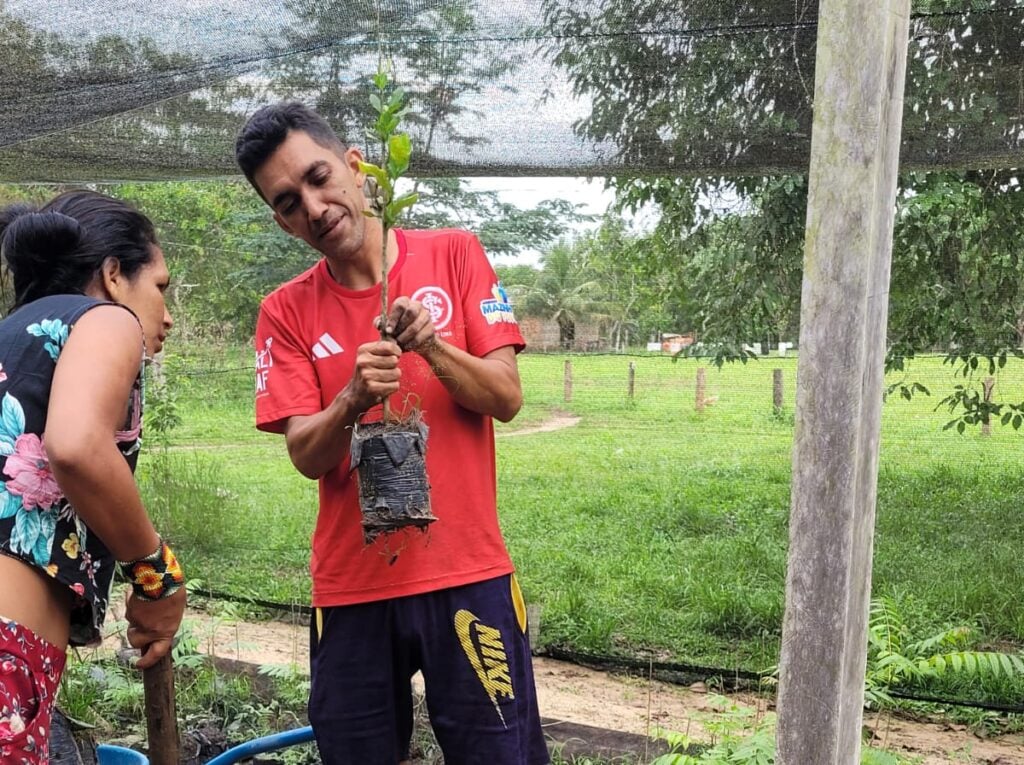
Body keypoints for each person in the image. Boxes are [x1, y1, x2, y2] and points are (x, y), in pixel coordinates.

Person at [235, 102, 548, 765]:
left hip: (469, 576)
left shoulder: (455, 253)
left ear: (355, 166)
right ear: (279, 219)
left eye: (319, 178)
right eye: (289, 202)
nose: (314, 207)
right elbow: (305, 454)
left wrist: (431, 348)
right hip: (352, 592)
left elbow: (507, 397)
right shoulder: (284, 311)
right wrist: (350, 398)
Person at [0, 191, 186, 762]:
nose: (168, 315)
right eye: (159, 287)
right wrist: (157, 575)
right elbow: (77, 445)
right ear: (112, 275)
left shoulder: (14, 339)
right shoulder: (107, 319)